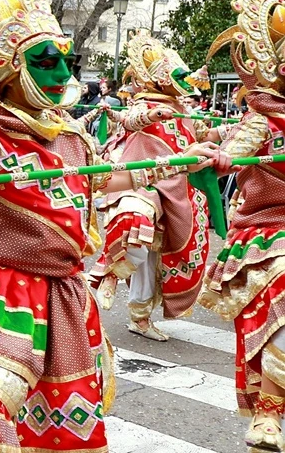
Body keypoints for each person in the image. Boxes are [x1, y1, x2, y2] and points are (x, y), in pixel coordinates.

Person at [0, 0, 219, 453]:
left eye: (66, 61)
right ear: (10, 70)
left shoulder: (73, 139)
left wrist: (181, 164)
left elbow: (105, 179)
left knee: (58, 421)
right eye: (45, 62)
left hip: (62, 296)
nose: (61, 73)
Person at [199, 0, 285, 452]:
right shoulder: (264, 116)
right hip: (273, 231)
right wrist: (221, 155)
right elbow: (238, 144)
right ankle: (268, 415)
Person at [88, 31, 216, 341]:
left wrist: (226, 135)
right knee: (135, 224)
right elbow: (130, 120)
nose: (183, 81)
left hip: (175, 189)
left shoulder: (184, 109)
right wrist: (150, 113)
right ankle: (108, 268)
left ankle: (140, 317)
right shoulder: (144, 103)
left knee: (152, 259)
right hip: (140, 182)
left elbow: (203, 136)